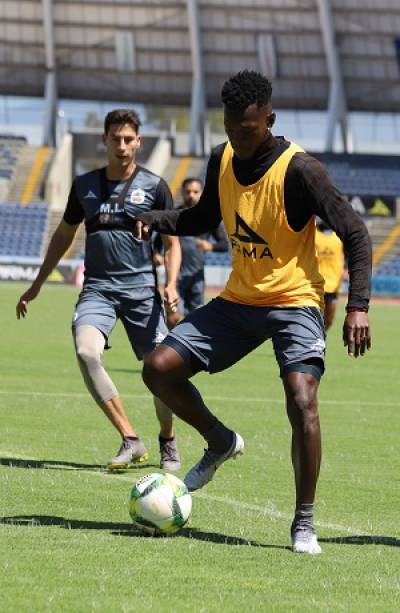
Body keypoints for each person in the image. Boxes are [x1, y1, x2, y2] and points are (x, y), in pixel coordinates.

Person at [134, 71, 372, 554]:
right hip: (239, 300)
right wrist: (154, 220)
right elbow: (201, 219)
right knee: (158, 369)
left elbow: (355, 232)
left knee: (302, 399)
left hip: (295, 301)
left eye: (247, 130)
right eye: (229, 128)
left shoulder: (301, 170)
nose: (237, 139)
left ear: (269, 121)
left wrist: (358, 307)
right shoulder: (221, 157)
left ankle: (304, 522)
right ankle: (220, 441)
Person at [16, 108, 182, 472]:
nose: (122, 146)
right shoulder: (84, 186)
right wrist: (37, 284)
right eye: (116, 139)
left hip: (141, 291)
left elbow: (172, 243)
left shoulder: (155, 186)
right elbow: (64, 234)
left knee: (161, 371)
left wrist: (170, 284)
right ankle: (130, 438)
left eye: (128, 140)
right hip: (98, 290)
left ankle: (167, 439)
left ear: (138, 142)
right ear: (104, 140)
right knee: (86, 351)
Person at [154, 178, 229, 328]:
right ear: (182, 192)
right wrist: (156, 254)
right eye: (188, 191)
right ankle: (170, 343)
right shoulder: (173, 215)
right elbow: (157, 242)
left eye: (195, 192)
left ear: (202, 193)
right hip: (176, 277)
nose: (191, 195)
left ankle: (186, 349)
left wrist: (210, 246)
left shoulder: (208, 218)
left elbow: (224, 244)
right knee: (174, 316)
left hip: (196, 277)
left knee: (195, 319)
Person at [315, 218, 346, 330]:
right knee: (313, 317)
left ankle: (320, 337)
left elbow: (346, 256)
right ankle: (312, 340)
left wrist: (345, 270)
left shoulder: (339, 237)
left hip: (333, 284)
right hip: (315, 284)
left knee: (329, 319)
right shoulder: (313, 234)